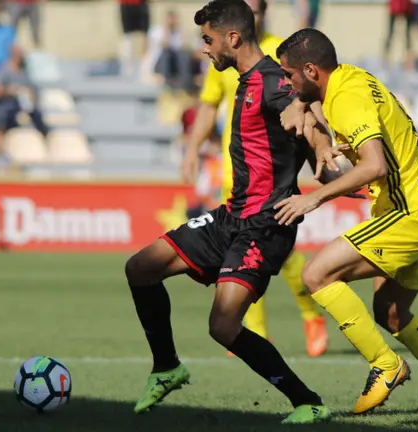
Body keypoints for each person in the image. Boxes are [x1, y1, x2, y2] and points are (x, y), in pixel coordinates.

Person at [124, 0, 331, 424]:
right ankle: (166, 367)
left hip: (265, 225)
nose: (204, 48)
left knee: (222, 326)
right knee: (140, 268)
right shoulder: (243, 79)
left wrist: (320, 141)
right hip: (230, 217)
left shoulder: (274, 80)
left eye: (208, 40)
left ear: (232, 38)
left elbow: (302, 110)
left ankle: (307, 401)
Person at [274, 28, 418, 423]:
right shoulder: (350, 78)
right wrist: (306, 111)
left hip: (407, 213)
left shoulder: (347, 98)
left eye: (290, 75)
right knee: (392, 313)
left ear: (310, 69)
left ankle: (385, 364)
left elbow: (374, 164)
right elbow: (328, 109)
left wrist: (314, 197)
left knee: (316, 274)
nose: (288, 83)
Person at [185, 0, 328, 358]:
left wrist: (320, 147)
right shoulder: (220, 54)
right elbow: (208, 106)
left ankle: (311, 314)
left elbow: (308, 106)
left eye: (258, 8)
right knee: (239, 259)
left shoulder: (281, 53)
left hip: (271, 179)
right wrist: (191, 149)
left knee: (287, 257)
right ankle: (256, 335)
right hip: (235, 179)